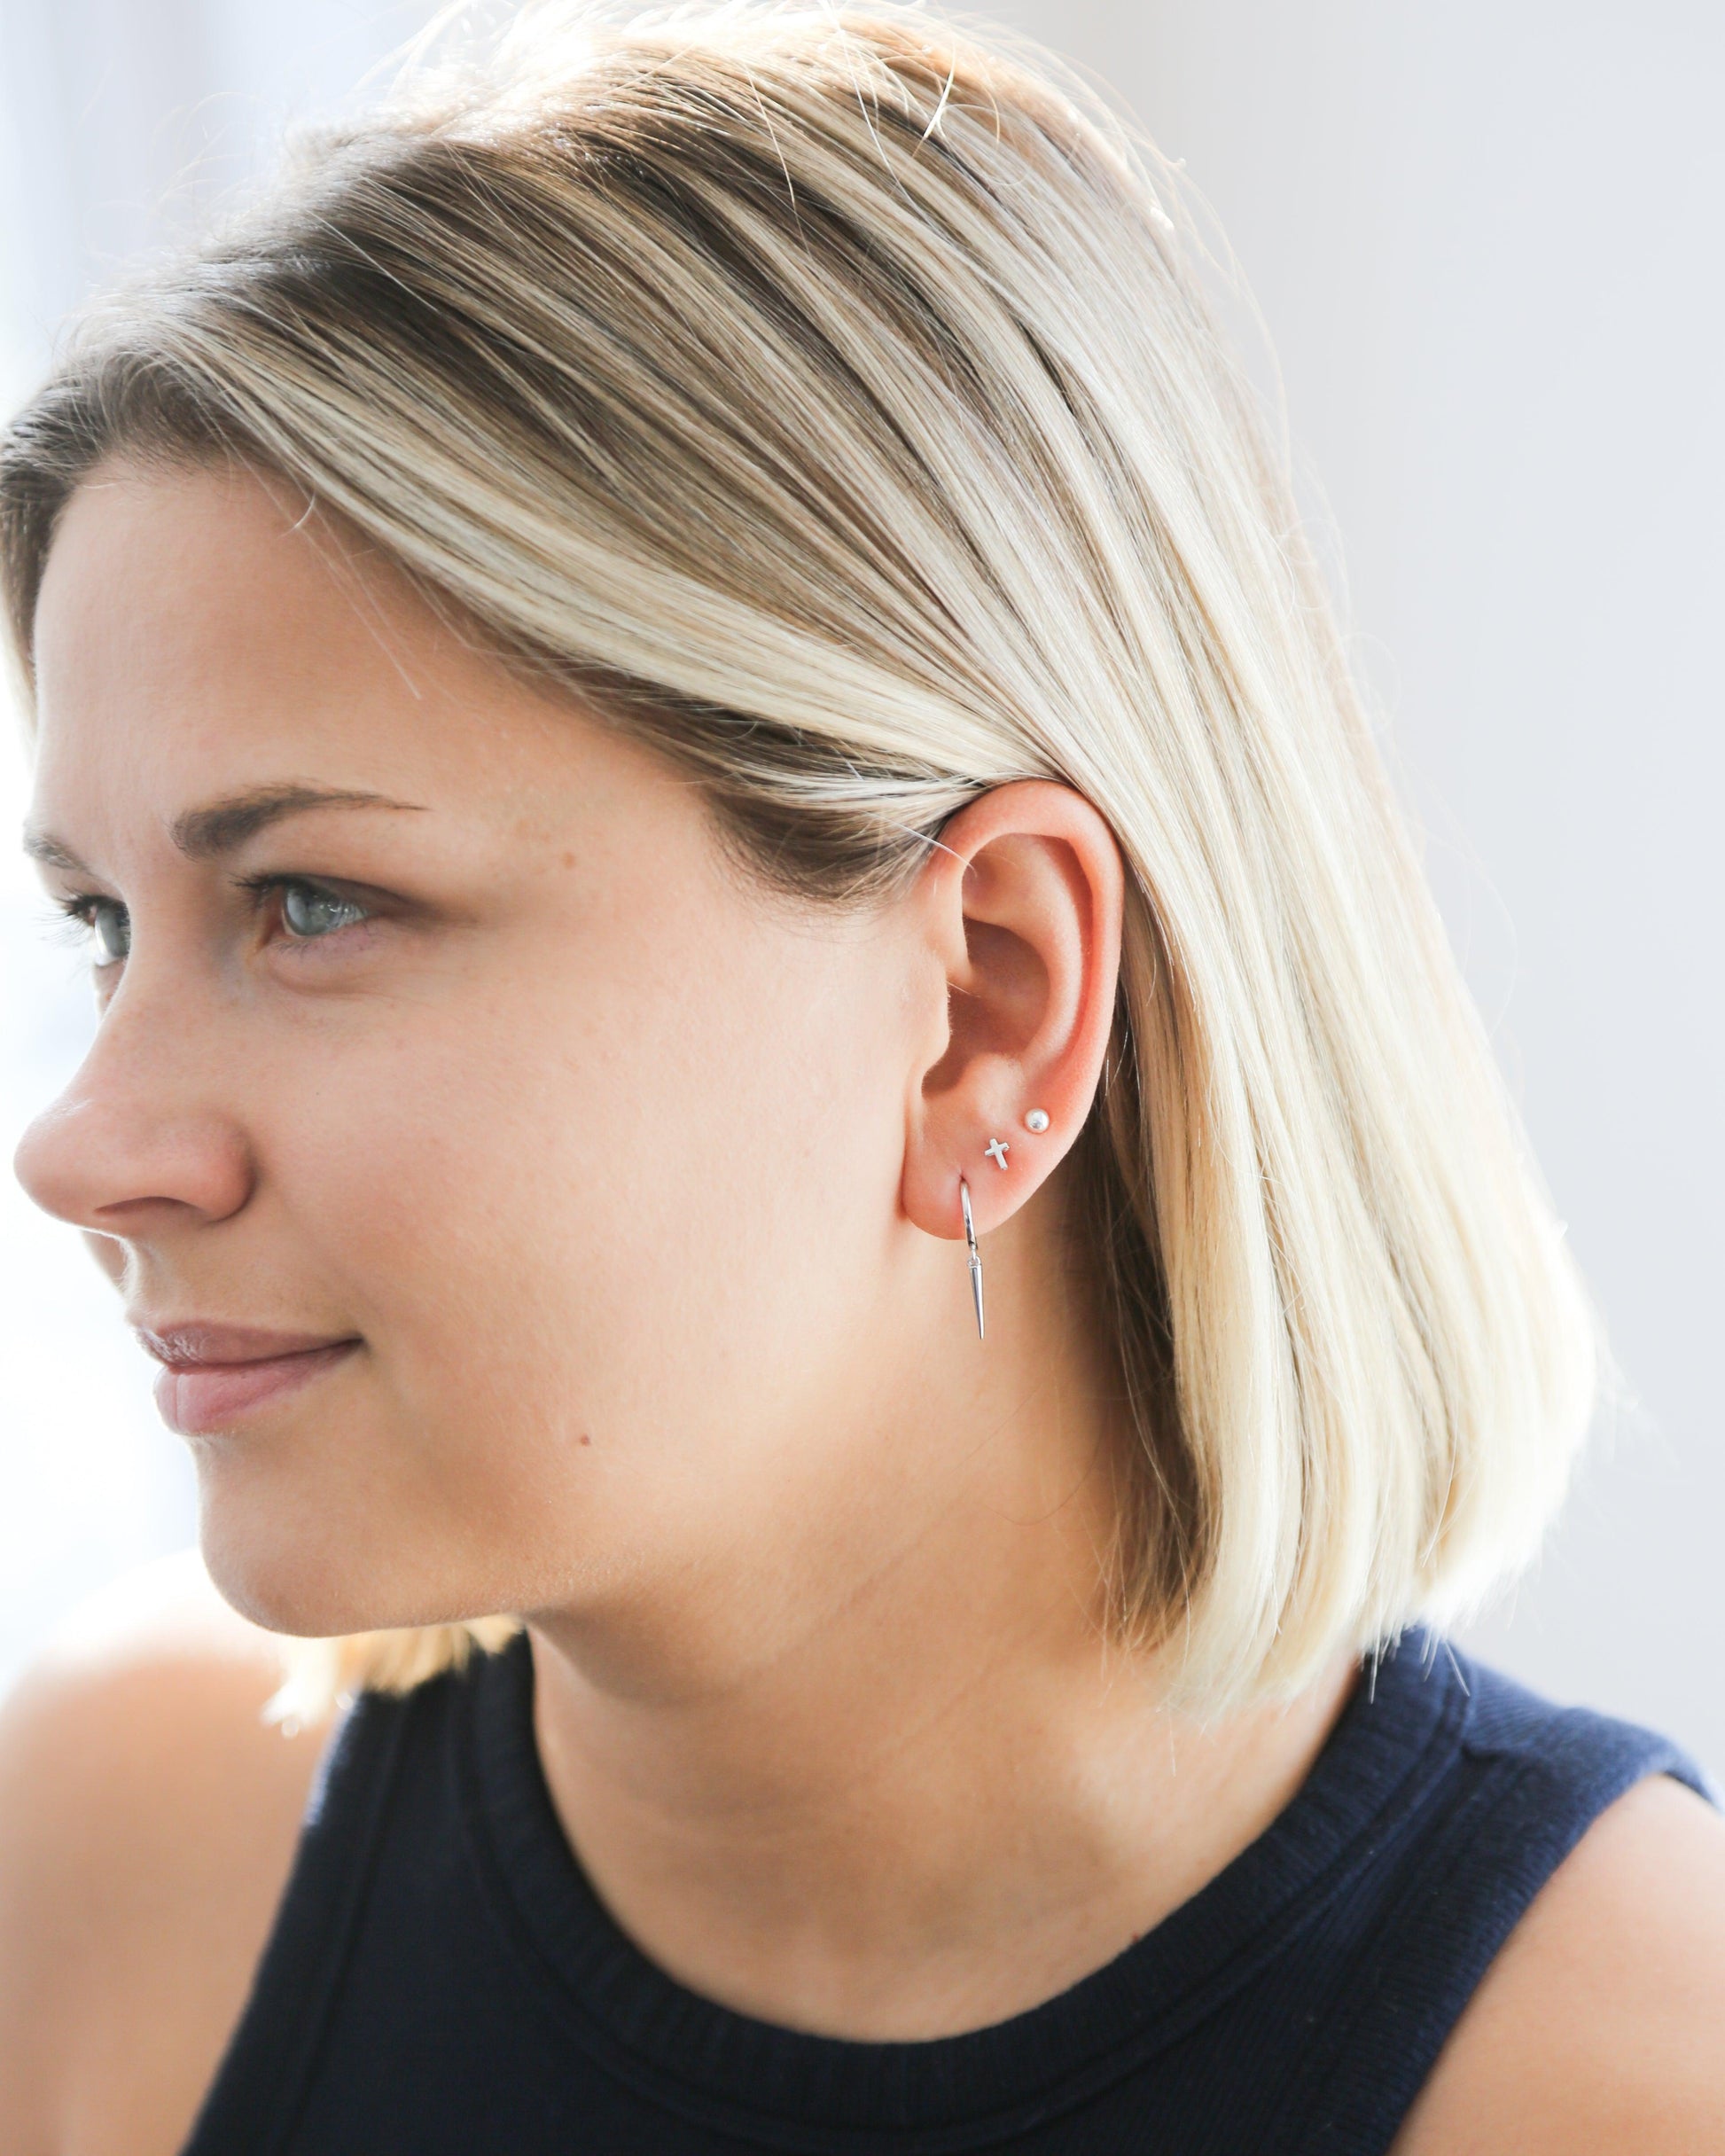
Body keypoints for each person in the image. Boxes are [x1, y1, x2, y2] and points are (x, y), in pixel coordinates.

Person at [0, 5, 1721, 2151]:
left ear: (986, 998)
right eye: (102, 924)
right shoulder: (121, 1872)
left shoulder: (1629, 2087)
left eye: (316, 903)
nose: (81, 1147)